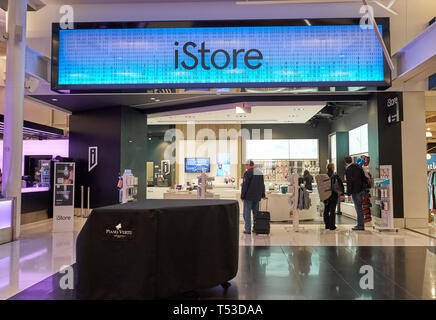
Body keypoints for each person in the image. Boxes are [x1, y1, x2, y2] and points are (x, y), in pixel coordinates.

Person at [241, 160, 266, 234]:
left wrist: (242, 196)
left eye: (246, 165)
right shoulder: (259, 172)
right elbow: (262, 185)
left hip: (248, 197)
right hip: (257, 197)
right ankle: (256, 228)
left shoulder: (248, 172)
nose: (245, 167)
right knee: (256, 213)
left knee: (247, 213)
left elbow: (245, 186)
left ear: (249, 165)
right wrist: (263, 195)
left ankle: (247, 229)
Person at [344, 156, 368, 231]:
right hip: (361, 190)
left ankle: (360, 225)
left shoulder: (348, 169)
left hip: (355, 191)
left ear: (345, 162)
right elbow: (364, 178)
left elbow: (349, 182)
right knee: (360, 208)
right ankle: (360, 224)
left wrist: (348, 193)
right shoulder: (359, 167)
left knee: (358, 208)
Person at [323, 163, 344, 231]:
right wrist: (342, 193)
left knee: (326, 210)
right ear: (332, 168)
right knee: (332, 210)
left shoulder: (324, 176)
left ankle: (327, 225)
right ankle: (332, 226)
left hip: (326, 195)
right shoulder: (335, 175)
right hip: (333, 194)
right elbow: (340, 184)